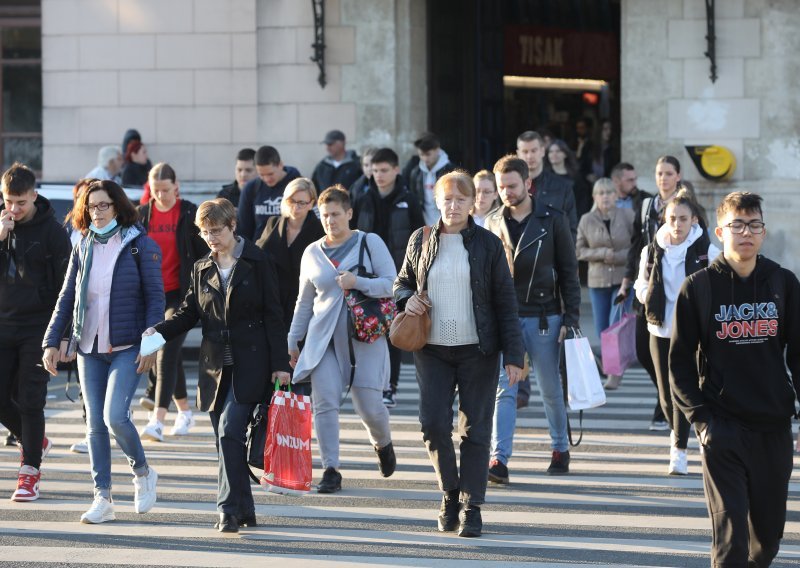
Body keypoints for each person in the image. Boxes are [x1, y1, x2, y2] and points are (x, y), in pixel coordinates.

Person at [670, 192, 800, 566]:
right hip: (723, 428)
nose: (747, 232)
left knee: (768, 539)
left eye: (754, 225)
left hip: (773, 427)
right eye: (737, 225)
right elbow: (679, 363)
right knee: (731, 543)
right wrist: (702, 421)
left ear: (763, 231)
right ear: (719, 231)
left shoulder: (783, 283)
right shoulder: (699, 288)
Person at [394, 171, 524, 538]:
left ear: (473, 204)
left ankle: (472, 506)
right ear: (437, 201)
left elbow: (505, 301)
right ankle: (450, 493)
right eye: (447, 199)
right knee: (433, 424)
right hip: (431, 349)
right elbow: (401, 283)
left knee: (476, 429)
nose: (453, 206)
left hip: (478, 349)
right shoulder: (420, 240)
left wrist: (514, 354)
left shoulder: (488, 244)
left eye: (461, 200)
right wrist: (409, 298)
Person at [150, 198, 290, 533]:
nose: (211, 237)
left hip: (251, 362)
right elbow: (187, 314)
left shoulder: (258, 261)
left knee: (230, 430)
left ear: (232, 227)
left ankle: (227, 510)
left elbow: (274, 315)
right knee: (223, 441)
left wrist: (281, 365)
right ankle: (246, 507)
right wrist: (155, 334)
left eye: (216, 230)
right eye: (205, 232)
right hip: (214, 367)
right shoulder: (201, 268)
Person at [42, 179, 163, 524]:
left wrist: (152, 344)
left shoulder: (140, 244)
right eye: (90, 206)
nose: (96, 212)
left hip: (127, 346)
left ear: (118, 206)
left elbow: (156, 300)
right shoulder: (82, 245)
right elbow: (68, 297)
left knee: (115, 417)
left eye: (103, 205)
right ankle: (103, 498)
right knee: (95, 425)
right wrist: (52, 341)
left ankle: (142, 472)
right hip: (88, 346)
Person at [288, 186, 397, 494]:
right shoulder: (312, 252)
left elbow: (392, 284)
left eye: (336, 214)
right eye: (324, 216)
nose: (330, 221)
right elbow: (304, 301)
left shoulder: (369, 242)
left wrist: (357, 282)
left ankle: (383, 443)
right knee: (324, 404)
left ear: (349, 213)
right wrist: (294, 338)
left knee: (370, 407)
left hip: (365, 335)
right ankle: (331, 469)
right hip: (323, 339)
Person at [486, 155, 581, 482]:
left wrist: (571, 317)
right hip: (505, 316)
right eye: (501, 187)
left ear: (528, 183)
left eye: (512, 186)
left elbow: (570, 272)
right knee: (504, 389)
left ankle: (559, 448)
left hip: (544, 315)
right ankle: (498, 460)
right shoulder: (492, 220)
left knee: (550, 387)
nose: (506, 193)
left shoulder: (553, 219)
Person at [633, 190, 720, 476]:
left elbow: (722, 280)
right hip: (659, 327)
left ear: (694, 220)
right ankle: (679, 436)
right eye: (672, 218)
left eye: (683, 218)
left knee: (683, 389)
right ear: (664, 219)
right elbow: (640, 283)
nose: (677, 224)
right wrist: (647, 295)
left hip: (691, 332)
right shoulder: (652, 249)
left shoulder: (706, 249)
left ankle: (678, 451)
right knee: (665, 395)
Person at [0, 163, 71, 501]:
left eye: (20, 202)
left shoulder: (53, 233)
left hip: (38, 326)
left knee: (31, 399)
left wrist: (62, 335)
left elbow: (67, 289)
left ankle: (29, 472)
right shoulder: (1, 226)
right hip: (3, 323)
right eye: (7, 201)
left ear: (34, 195)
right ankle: (34, 440)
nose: (13, 209)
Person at [136, 164, 208, 441]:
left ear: (176, 186)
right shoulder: (142, 215)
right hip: (152, 295)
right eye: (156, 191)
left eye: (166, 190)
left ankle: (157, 418)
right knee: (169, 353)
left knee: (161, 348)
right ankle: (185, 411)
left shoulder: (189, 213)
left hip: (181, 294)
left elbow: (205, 254)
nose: (161, 196)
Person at [352, 148, 424, 408]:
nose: (379, 175)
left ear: (396, 170)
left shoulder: (408, 198)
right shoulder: (362, 196)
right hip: (367, 276)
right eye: (375, 170)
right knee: (369, 327)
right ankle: (368, 383)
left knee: (393, 330)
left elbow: (420, 237)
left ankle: (390, 387)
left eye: (384, 170)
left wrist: (416, 273)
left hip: (399, 274)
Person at [514, 131, 577, 409]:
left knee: (550, 363)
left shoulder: (561, 186)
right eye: (524, 151)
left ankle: (559, 428)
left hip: (549, 278)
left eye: (533, 150)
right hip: (517, 278)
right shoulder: (510, 187)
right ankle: (520, 389)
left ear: (543, 151)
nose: (529, 156)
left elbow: (570, 229)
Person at [618, 157, 682, 429]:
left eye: (669, 173)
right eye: (659, 173)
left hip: (675, 287)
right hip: (648, 284)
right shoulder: (647, 204)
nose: (663, 178)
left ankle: (667, 405)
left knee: (672, 351)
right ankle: (664, 395)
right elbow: (636, 245)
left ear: (678, 176)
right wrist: (626, 280)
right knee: (644, 349)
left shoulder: (685, 206)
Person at [576, 178, 635, 390]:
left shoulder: (627, 216)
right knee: (603, 329)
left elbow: (637, 248)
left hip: (623, 280)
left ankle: (613, 374)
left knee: (615, 325)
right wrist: (602, 253)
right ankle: (611, 364)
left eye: (609, 192)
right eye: (601, 193)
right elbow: (579, 251)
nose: (606, 197)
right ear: (594, 197)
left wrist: (617, 256)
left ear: (616, 195)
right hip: (597, 281)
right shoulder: (586, 219)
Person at [256, 177, 324, 336]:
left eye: (302, 202)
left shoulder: (319, 231)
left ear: (312, 204)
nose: (296, 207)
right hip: (271, 302)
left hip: (302, 306)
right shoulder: (273, 224)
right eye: (292, 200)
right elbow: (258, 257)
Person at [237, 145, 301, 241]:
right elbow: (244, 229)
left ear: (280, 165)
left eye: (270, 174)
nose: (267, 179)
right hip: (259, 250)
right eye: (261, 175)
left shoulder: (298, 186)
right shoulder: (251, 188)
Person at [409, 132, 456, 226]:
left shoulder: (451, 171)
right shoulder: (416, 173)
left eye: (428, 154)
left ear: (437, 150)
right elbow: (413, 198)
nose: (425, 158)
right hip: (424, 223)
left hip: (448, 221)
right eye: (421, 155)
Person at [545, 138, 591, 221]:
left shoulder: (575, 177)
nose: (554, 154)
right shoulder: (544, 177)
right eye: (551, 152)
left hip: (572, 222)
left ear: (565, 154)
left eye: (558, 151)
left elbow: (583, 201)